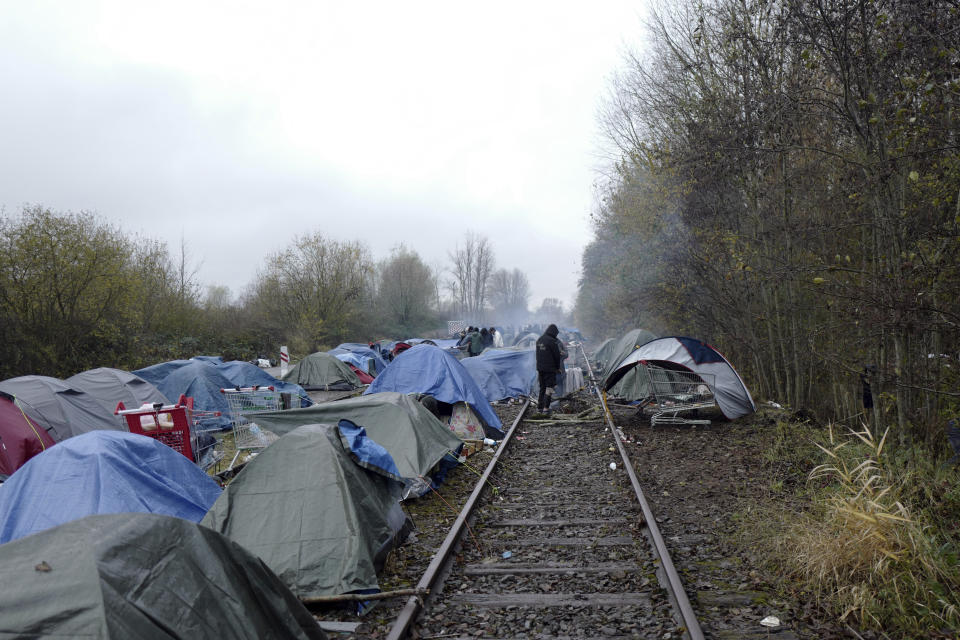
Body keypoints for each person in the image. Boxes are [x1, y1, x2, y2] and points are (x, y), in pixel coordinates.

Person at [536, 324, 564, 415]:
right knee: (549, 388)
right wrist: (557, 368)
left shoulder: (539, 340)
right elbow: (557, 356)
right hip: (550, 369)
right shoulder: (552, 341)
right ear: (554, 332)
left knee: (542, 387)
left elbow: (537, 355)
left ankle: (539, 407)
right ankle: (546, 408)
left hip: (540, 369)